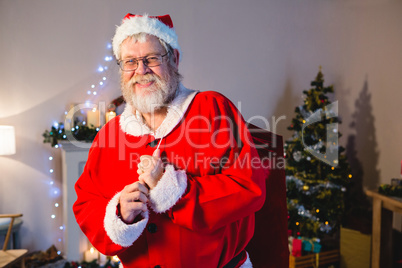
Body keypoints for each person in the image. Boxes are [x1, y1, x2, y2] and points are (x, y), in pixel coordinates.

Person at [73, 13, 267, 268]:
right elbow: (87, 201)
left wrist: (173, 190)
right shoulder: (109, 135)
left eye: (151, 59)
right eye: (130, 61)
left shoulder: (212, 108)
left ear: (174, 59)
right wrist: (119, 213)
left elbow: (248, 186)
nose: (141, 71)